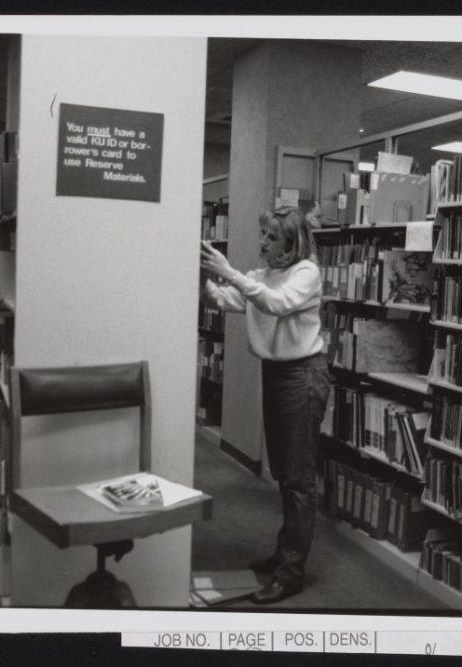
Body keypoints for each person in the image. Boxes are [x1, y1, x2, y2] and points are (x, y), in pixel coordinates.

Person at [199, 205, 330, 605]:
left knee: (299, 479)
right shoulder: (262, 276)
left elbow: (275, 303)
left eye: (272, 237)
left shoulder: (306, 273)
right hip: (276, 374)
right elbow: (227, 301)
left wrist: (230, 272)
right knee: (285, 471)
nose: (263, 243)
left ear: (292, 241)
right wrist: (207, 275)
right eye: (263, 235)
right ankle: (284, 552)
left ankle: (291, 572)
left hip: (302, 376)